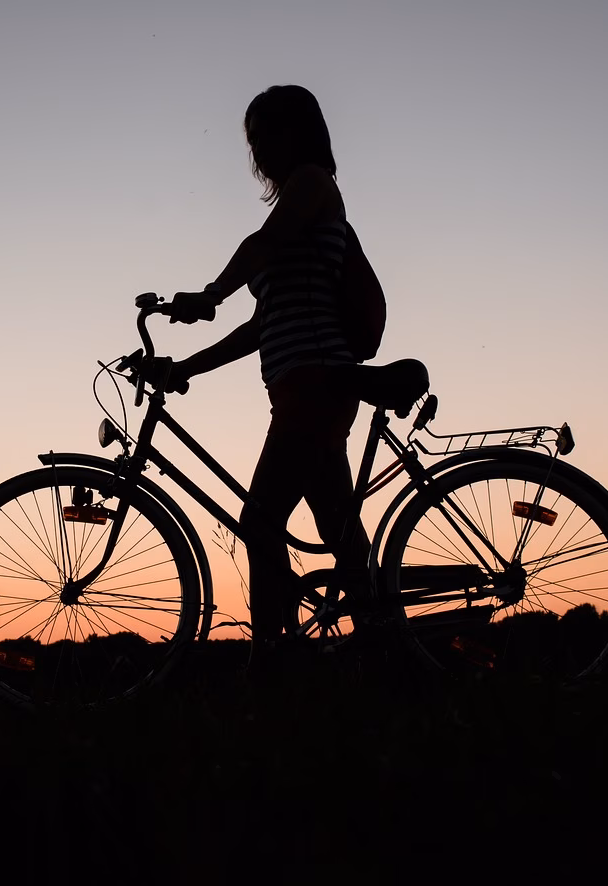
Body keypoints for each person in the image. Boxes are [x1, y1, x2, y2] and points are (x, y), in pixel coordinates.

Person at [165, 85, 374, 669]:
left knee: (261, 522)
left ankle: (274, 658)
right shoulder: (299, 208)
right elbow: (261, 327)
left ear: (300, 132)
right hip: (304, 385)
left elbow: (263, 245)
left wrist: (210, 294)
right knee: (336, 528)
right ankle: (384, 648)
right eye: (252, 138)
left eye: (267, 133)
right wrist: (187, 367)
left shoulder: (311, 186)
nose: (258, 148)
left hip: (316, 382)